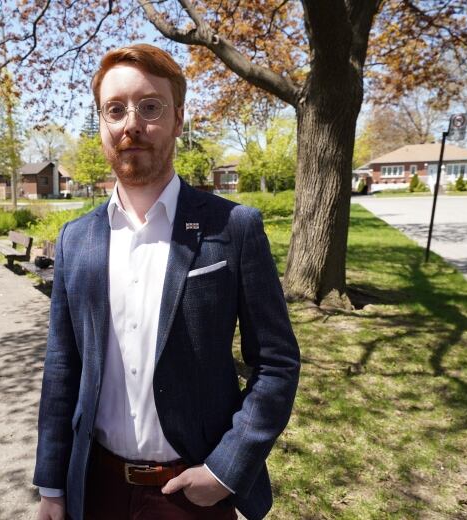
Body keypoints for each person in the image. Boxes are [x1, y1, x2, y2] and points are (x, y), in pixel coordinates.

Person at [33, 43, 300, 520]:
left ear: (178, 119)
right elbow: (61, 371)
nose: (131, 124)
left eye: (149, 107)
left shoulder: (233, 228)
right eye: (114, 110)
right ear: (101, 128)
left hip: (191, 492)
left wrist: (224, 471)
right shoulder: (76, 240)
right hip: (96, 490)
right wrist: (52, 486)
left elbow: (277, 363)